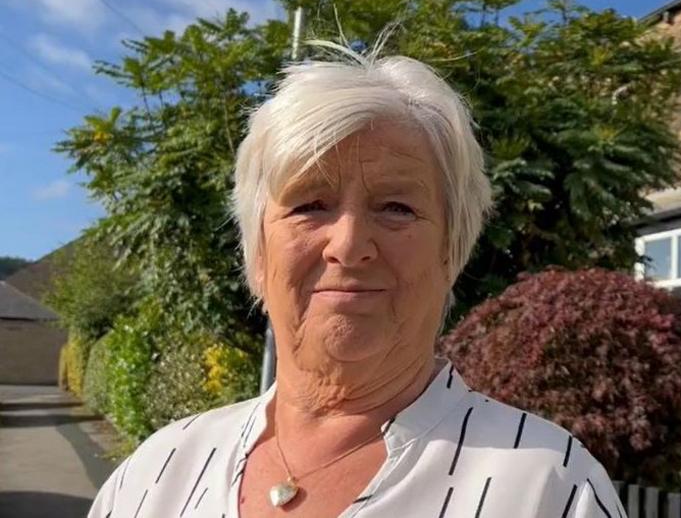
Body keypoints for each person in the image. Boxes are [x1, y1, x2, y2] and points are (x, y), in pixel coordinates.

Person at [88, 43, 625, 518]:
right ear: (257, 253)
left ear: (450, 250)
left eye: (396, 207)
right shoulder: (154, 474)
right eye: (310, 205)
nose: (347, 245)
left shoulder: (551, 489)